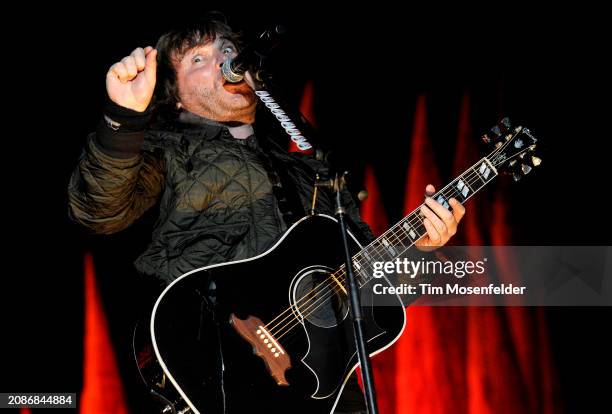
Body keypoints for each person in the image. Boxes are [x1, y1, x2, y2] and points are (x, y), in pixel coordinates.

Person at [68, 13, 465, 414]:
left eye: (226, 49)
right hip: (221, 371)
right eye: (197, 59)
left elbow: (366, 290)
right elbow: (99, 210)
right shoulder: (164, 150)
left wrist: (424, 249)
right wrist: (123, 118)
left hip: (321, 391)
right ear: (174, 95)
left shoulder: (311, 167)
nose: (223, 60)